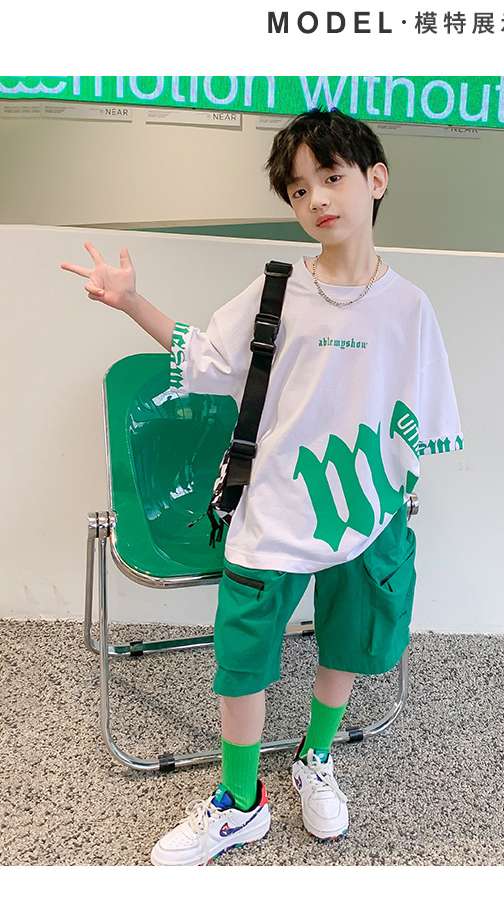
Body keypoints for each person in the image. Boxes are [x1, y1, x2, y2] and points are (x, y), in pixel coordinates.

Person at [62, 108, 463, 866]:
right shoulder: (276, 288)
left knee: (347, 637)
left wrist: (396, 490)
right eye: (299, 189)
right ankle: (240, 800)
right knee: (242, 654)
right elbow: (210, 361)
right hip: (274, 504)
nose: (317, 199)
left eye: (332, 177)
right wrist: (131, 301)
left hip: (364, 504)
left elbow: (424, 413)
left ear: (376, 179)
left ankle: (316, 756)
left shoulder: (410, 306)